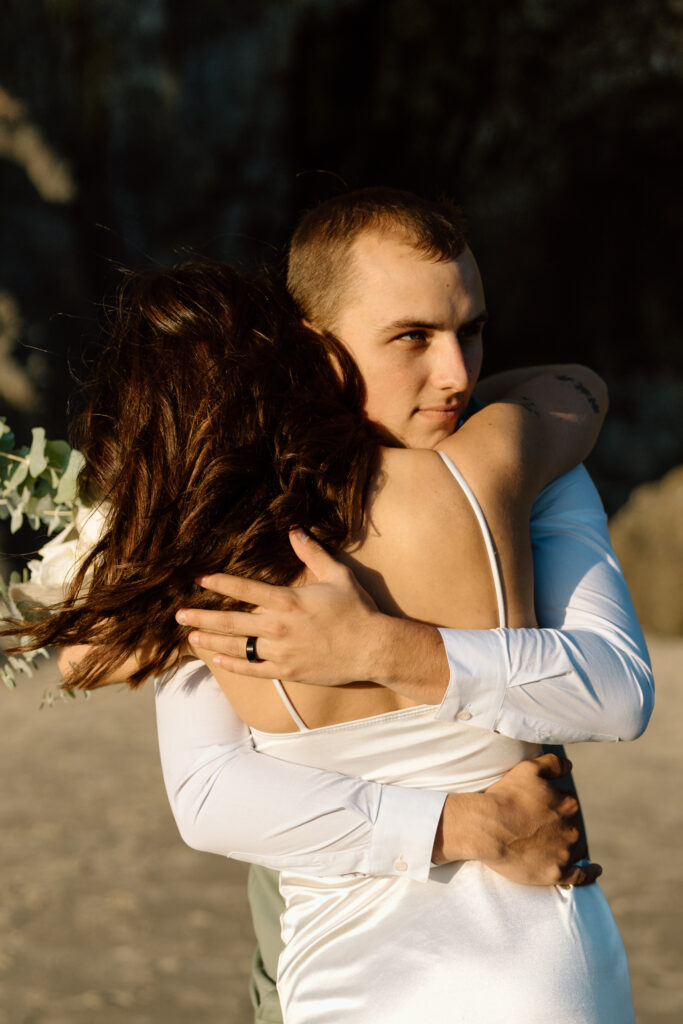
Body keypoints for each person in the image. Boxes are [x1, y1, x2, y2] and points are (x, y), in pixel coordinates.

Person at [8, 191, 652, 1021]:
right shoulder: (501, 463)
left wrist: (385, 649)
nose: (456, 375)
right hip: (522, 952)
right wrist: (464, 823)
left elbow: (615, 691)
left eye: (472, 330)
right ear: (313, 348)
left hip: (337, 966)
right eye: (412, 337)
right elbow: (576, 388)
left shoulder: (211, 537)